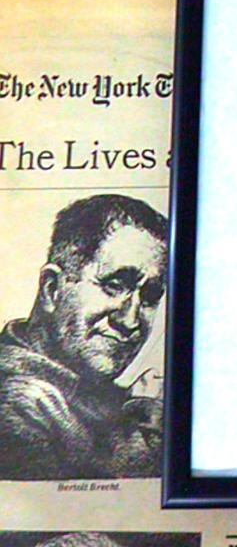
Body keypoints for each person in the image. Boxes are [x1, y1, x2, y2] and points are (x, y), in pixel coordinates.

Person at [0, 194, 167, 479]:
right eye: (115, 285)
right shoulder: (17, 401)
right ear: (52, 289)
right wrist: (149, 422)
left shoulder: (100, 396)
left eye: (150, 296)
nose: (129, 321)